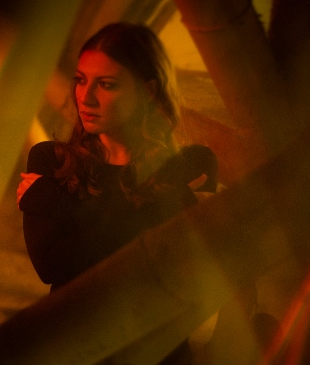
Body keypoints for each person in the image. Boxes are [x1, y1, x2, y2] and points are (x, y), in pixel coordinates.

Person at [17, 22, 218, 364]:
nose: (86, 98)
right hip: (76, 346)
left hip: (157, 350)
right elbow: (54, 266)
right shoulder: (53, 161)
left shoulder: (191, 163)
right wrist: (148, 214)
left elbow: (175, 274)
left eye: (106, 84)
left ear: (148, 91)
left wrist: (58, 204)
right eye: (81, 80)